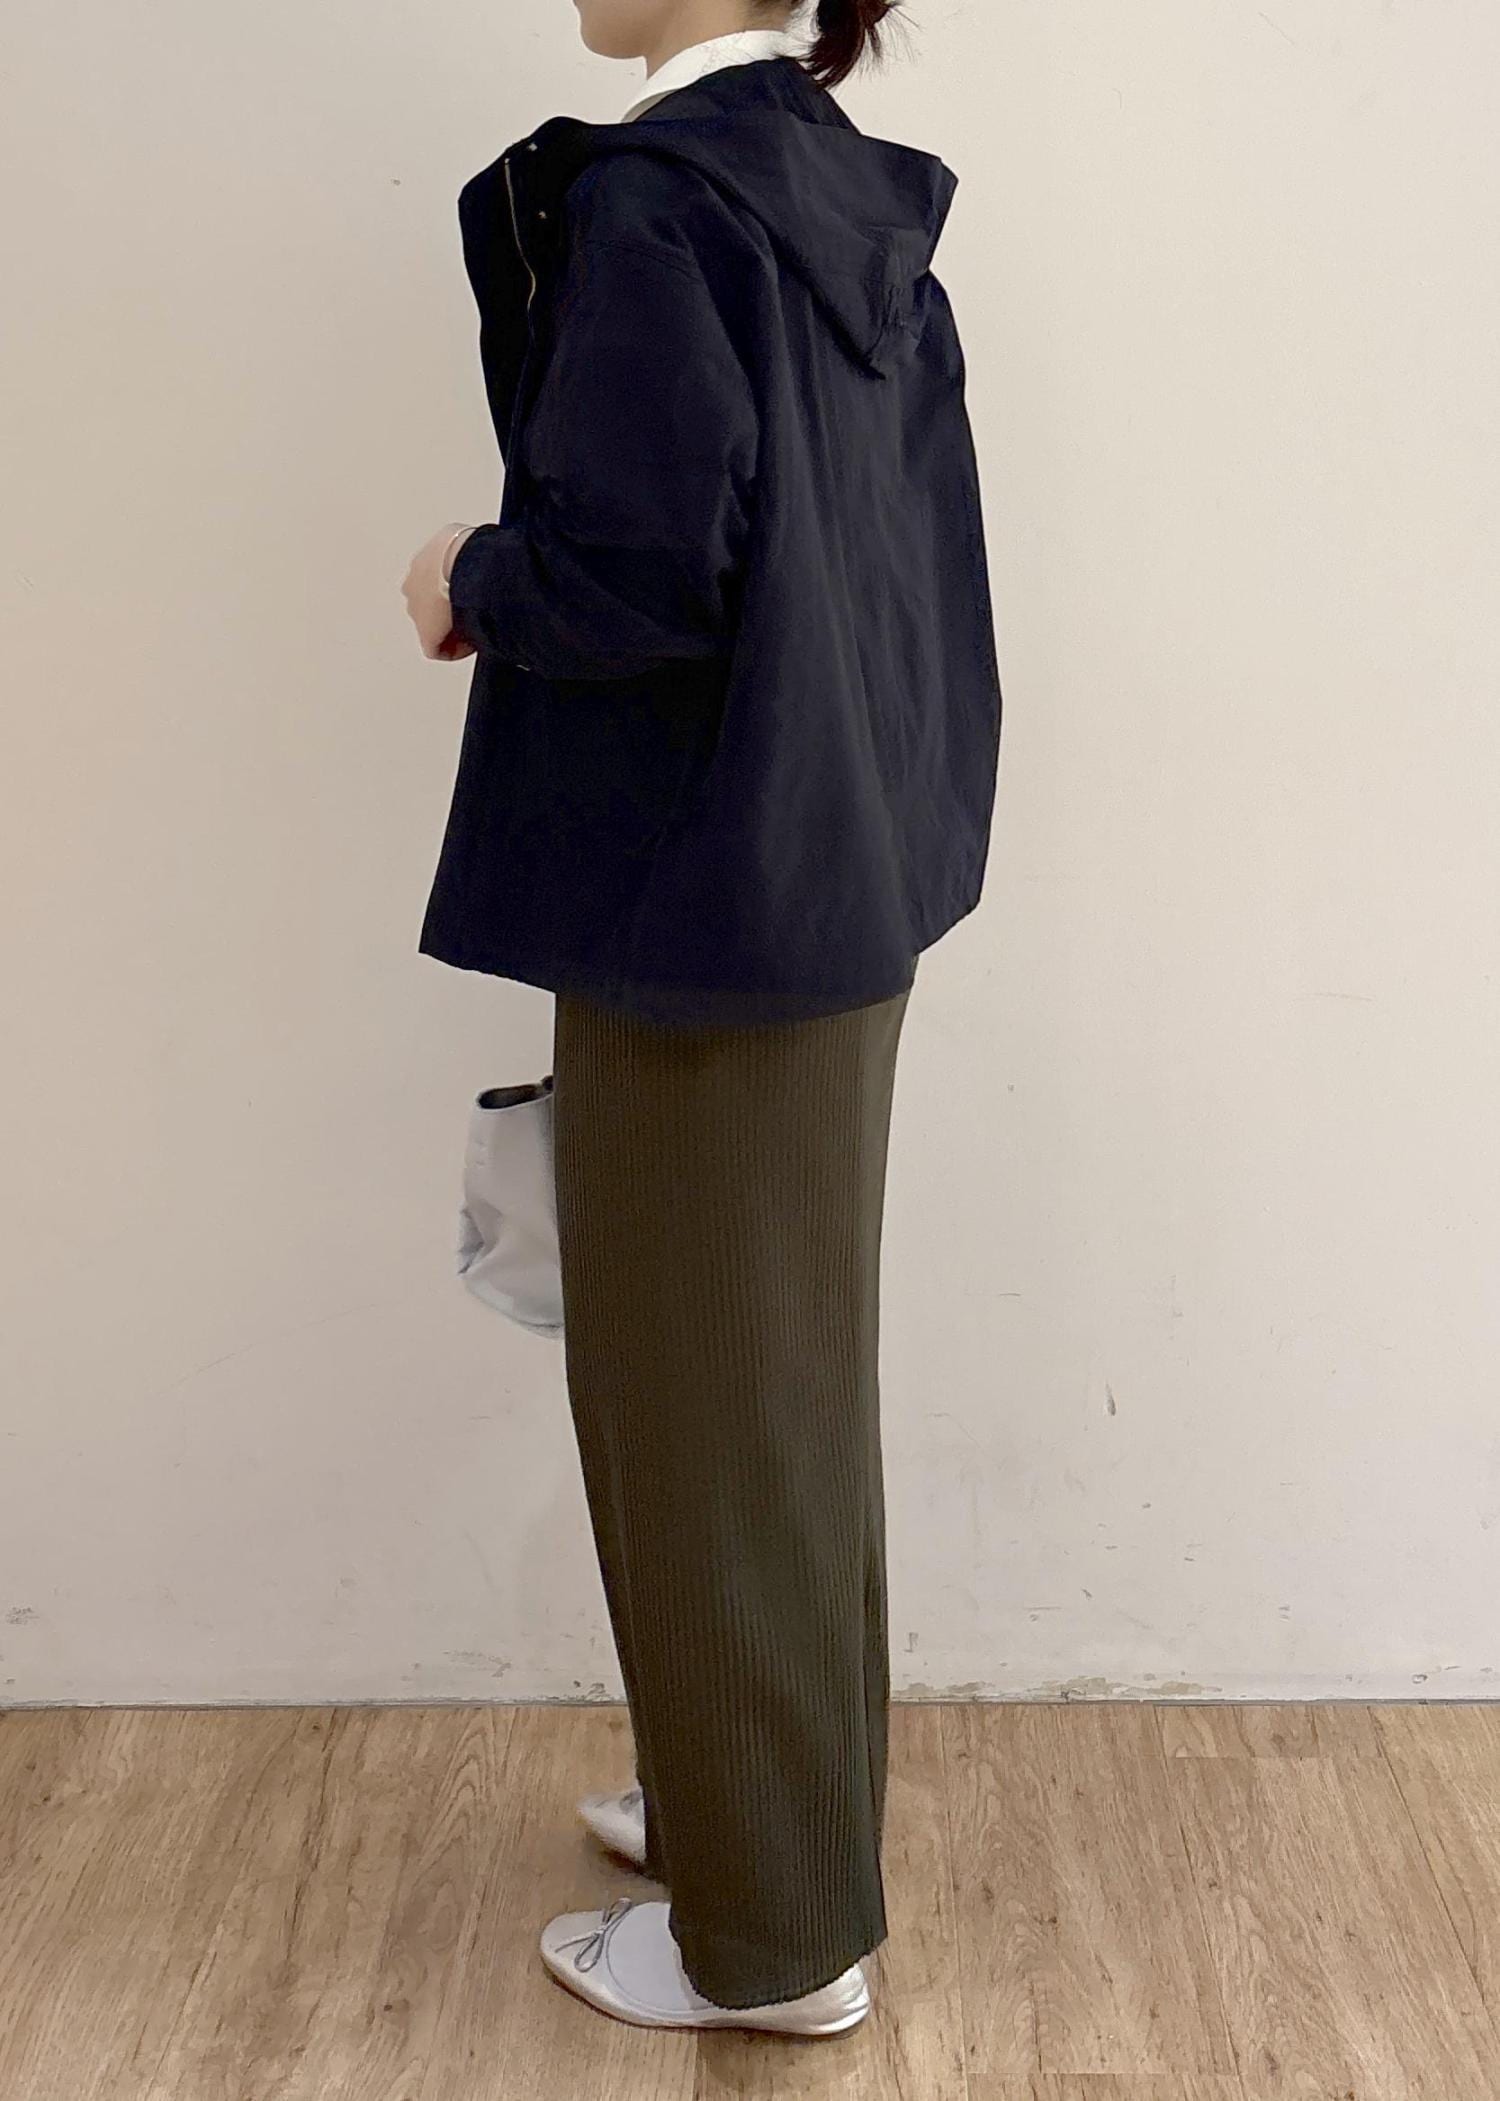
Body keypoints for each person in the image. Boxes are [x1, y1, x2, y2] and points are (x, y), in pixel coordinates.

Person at [400, 0, 1001, 2040]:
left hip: (704, 902)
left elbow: (640, 570)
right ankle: (743, 1815)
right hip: (829, 877)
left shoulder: (663, 202)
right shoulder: (831, 193)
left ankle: (771, 1942)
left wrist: (467, 573)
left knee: (705, 1405)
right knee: (762, 1397)